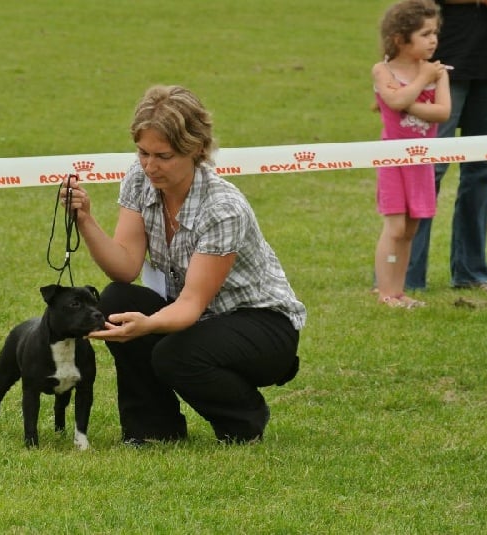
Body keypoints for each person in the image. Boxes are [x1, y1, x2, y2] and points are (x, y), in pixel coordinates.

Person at [61, 85, 306, 445]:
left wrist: (147, 325)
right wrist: (85, 220)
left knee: (172, 354)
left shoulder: (223, 208)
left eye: (164, 156)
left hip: (262, 326)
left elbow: (191, 304)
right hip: (198, 317)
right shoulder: (140, 177)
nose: (150, 166)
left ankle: (244, 421)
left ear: (196, 150)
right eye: (143, 152)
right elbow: (125, 268)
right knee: (115, 300)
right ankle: (153, 430)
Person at [405, 0, 487, 292]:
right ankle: (407, 277)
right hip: (446, 60)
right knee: (430, 168)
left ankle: (471, 274)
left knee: (481, 171)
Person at [372, 0, 451, 308]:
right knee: (395, 228)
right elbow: (394, 102)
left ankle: (399, 291)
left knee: (411, 229)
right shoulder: (383, 70)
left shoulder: (439, 73)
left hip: (422, 161)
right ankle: (385, 292)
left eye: (435, 33)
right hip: (393, 160)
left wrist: (406, 101)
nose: (434, 40)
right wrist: (419, 83)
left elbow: (442, 112)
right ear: (400, 38)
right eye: (425, 34)